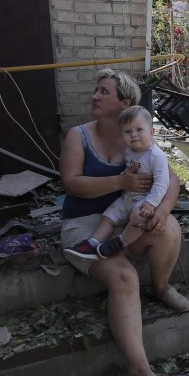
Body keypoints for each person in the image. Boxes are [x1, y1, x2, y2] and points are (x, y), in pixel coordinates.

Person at [59, 69, 189, 376]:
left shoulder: (137, 135)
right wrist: (120, 182)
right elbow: (71, 183)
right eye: (96, 90)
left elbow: (171, 181)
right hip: (85, 223)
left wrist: (160, 212)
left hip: (129, 218)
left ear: (124, 102)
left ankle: (161, 287)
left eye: (104, 92)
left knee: (170, 228)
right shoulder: (79, 135)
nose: (95, 96)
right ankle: (139, 370)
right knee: (124, 275)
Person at [64, 105, 170, 261]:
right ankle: (92, 243)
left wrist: (150, 203)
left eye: (139, 130)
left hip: (144, 200)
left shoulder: (156, 156)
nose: (133, 135)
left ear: (152, 132)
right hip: (127, 196)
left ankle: (118, 243)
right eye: (128, 132)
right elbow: (129, 170)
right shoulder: (130, 150)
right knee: (109, 215)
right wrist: (124, 176)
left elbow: (162, 183)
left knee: (139, 218)